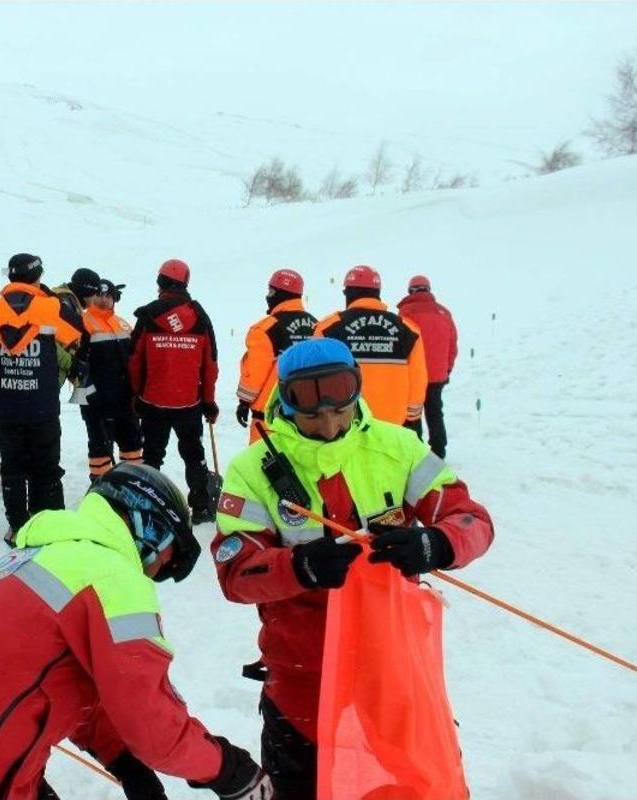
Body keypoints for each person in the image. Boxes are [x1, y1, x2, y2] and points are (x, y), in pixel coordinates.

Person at [0, 463, 273, 800]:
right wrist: (226, 769)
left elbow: (55, 679)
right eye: (167, 557)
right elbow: (152, 722)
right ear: (149, 526)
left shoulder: (38, 554)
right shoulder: (112, 575)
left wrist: (121, 758)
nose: (158, 569)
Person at [210, 338, 493, 799]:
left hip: (393, 670)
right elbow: (235, 572)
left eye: (339, 409)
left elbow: (472, 519)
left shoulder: (398, 448)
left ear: (355, 393)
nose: (328, 423)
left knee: (417, 785)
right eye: (311, 411)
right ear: (285, 400)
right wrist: (299, 567)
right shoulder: (253, 472)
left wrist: (437, 543)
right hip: (303, 678)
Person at [0, 253, 83, 541]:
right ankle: (48, 524)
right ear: (37, 276)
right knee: (45, 466)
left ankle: (17, 525)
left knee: (12, 467)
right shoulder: (51, 307)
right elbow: (78, 337)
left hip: (5, 407)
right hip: (41, 406)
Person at [128, 258, 219, 524]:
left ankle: (147, 503)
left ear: (160, 283)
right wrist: (209, 401)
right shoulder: (200, 317)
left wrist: (137, 394)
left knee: (152, 457)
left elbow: (134, 360)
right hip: (188, 403)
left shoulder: (148, 316)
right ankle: (201, 507)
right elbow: (210, 364)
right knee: (194, 456)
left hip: (153, 402)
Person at [313, 265, 427, 427]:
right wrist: (412, 418)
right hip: (393, 426)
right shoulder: (409, 330)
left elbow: (316, 378)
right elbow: (418, 376)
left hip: (345, 425)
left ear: (350, 293)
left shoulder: (327, 328)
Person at [235, 269, 317, 443]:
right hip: (309, 417)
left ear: (280, 293)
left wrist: (244, 402)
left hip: (270, 418)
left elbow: (255, 372)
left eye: (271, 292)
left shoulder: (265, 329)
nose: (268, 297)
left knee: (262, 466)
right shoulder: (317, 326)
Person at [81, 277, 143, 482]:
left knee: (132, 444)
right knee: (100, 448)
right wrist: (88, 397)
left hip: (125, 399)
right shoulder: (83, 322)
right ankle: (99, 488)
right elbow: (76, 366)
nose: (104, 300)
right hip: (95, 399)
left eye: (108, 295)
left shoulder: (123, 324)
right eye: (100, 294)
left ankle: (132, 484)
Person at [397, 275, 458, 458]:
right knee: (435, 412)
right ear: (428, 290)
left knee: (412, 414)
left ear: (411, 291)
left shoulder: (405, 313)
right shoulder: (444, 313)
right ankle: (439, 451)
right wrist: (447, 369)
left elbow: (400, 345)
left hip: (413, 375)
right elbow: (452, 345)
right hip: (437, 375)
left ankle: (415, 451)